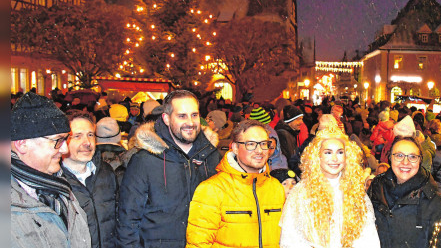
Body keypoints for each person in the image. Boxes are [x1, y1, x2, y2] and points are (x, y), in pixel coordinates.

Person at [117, 90, 220, 248]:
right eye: (182, 116)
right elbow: (128, 219)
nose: (190, 122)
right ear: (166, 118)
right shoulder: (145, 160)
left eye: (194, 115)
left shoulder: (211, 156)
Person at [186, 119, 285, 247]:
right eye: (251, 144)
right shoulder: (212, 190)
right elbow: (198, 243)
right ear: (235, 148)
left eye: (264, 144)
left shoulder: (276, 188)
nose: (259, 150)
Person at [11, 92, 91, 247]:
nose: (65, 149)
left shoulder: (59, 185)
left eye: (66, 139)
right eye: (58, 141)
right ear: (22, 144)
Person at [280, 127, 380, 248]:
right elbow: (290, 238)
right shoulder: (301, 192)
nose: (334, 159)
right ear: (317, 156)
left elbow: (368, 237)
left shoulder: (356, 191)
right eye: (328, 152)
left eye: (340, 152)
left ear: (347, 156)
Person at [368, 137, 441, 248]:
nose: (405, 162)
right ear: (390, 158)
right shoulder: (377, 188)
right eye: (399, 155)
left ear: (420, 160)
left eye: (412, 157)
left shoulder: (436, 202)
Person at [61, 110, 119, 248]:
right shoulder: (55, 180)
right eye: (77, 136)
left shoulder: (106, 172)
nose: (87, 142)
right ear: (62, 140)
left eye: (90, 135)